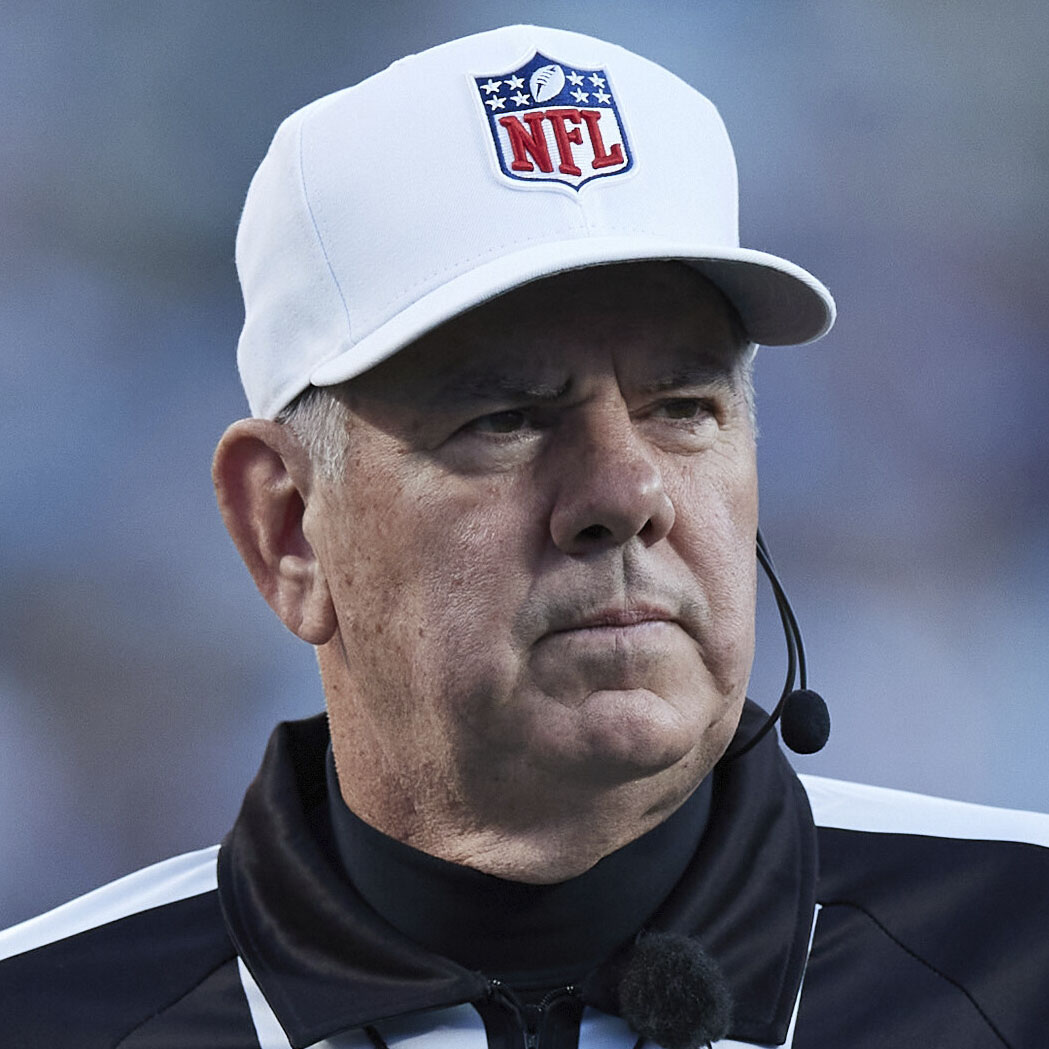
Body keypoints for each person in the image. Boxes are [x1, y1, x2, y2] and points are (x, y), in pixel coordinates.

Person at [1, 24, 1046, 1049]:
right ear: (288, 529)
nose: (628, 489)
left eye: (682, 403)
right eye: (502, 418)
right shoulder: (48, 1014)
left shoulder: (1019, 947)